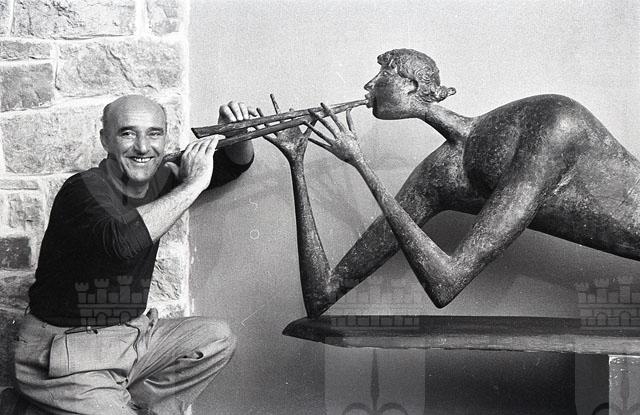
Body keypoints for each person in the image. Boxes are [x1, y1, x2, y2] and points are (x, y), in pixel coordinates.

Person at [266, 48, 640, 318]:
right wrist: (296, 163)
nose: (369, 84)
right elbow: (323, 294)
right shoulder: (439, 174)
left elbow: (446, 282)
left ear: (410, 86)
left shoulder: (550, 121)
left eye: (382, 75)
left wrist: (361, 164)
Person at [9, 95, 255, 414]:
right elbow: (123, 242)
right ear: (105, 140)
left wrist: (238, 135)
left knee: (216, 338)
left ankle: (111, 403)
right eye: (128, 133)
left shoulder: (162, 177)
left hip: (130, 338)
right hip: (63, 352)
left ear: (165, 137)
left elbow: (234, 165)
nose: (143, 147)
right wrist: (192, 185)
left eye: (154, 133)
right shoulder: (82, 190)